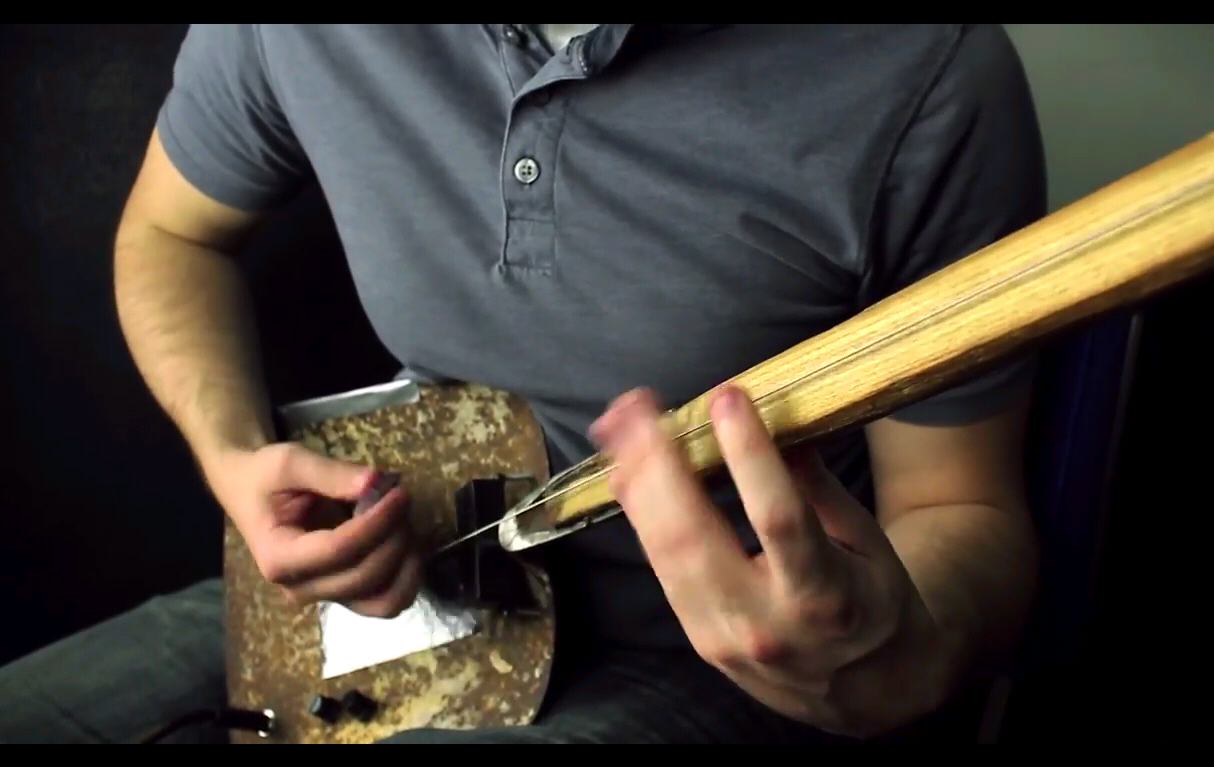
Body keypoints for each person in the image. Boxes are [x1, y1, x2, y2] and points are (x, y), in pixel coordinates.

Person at [0, 24, 1047, 743]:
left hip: (711, 665)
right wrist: (233, 456)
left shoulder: (927, 73)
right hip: (386, 595)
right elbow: (171, 235)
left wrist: (911, 653)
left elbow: (960, 505)